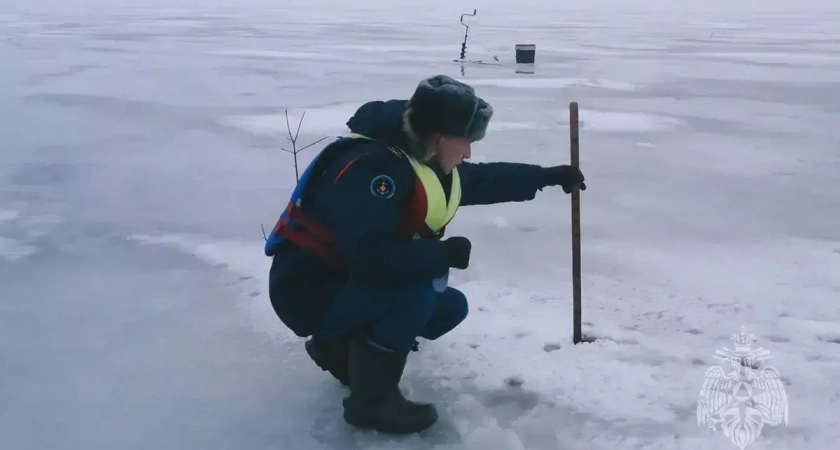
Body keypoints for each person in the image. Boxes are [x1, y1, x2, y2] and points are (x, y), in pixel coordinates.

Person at [264, 74, 585, 434]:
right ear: (439, 137)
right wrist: (440, 254)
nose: (468, 153)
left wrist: (544, 177)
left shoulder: (417, 154)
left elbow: (477, 180)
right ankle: (372, 404)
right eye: (466, 142)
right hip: (307, 291)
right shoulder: (374, 170)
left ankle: (336, 348)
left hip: (338, 281)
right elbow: (371, 259)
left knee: (448, 307)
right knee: (412, 296)